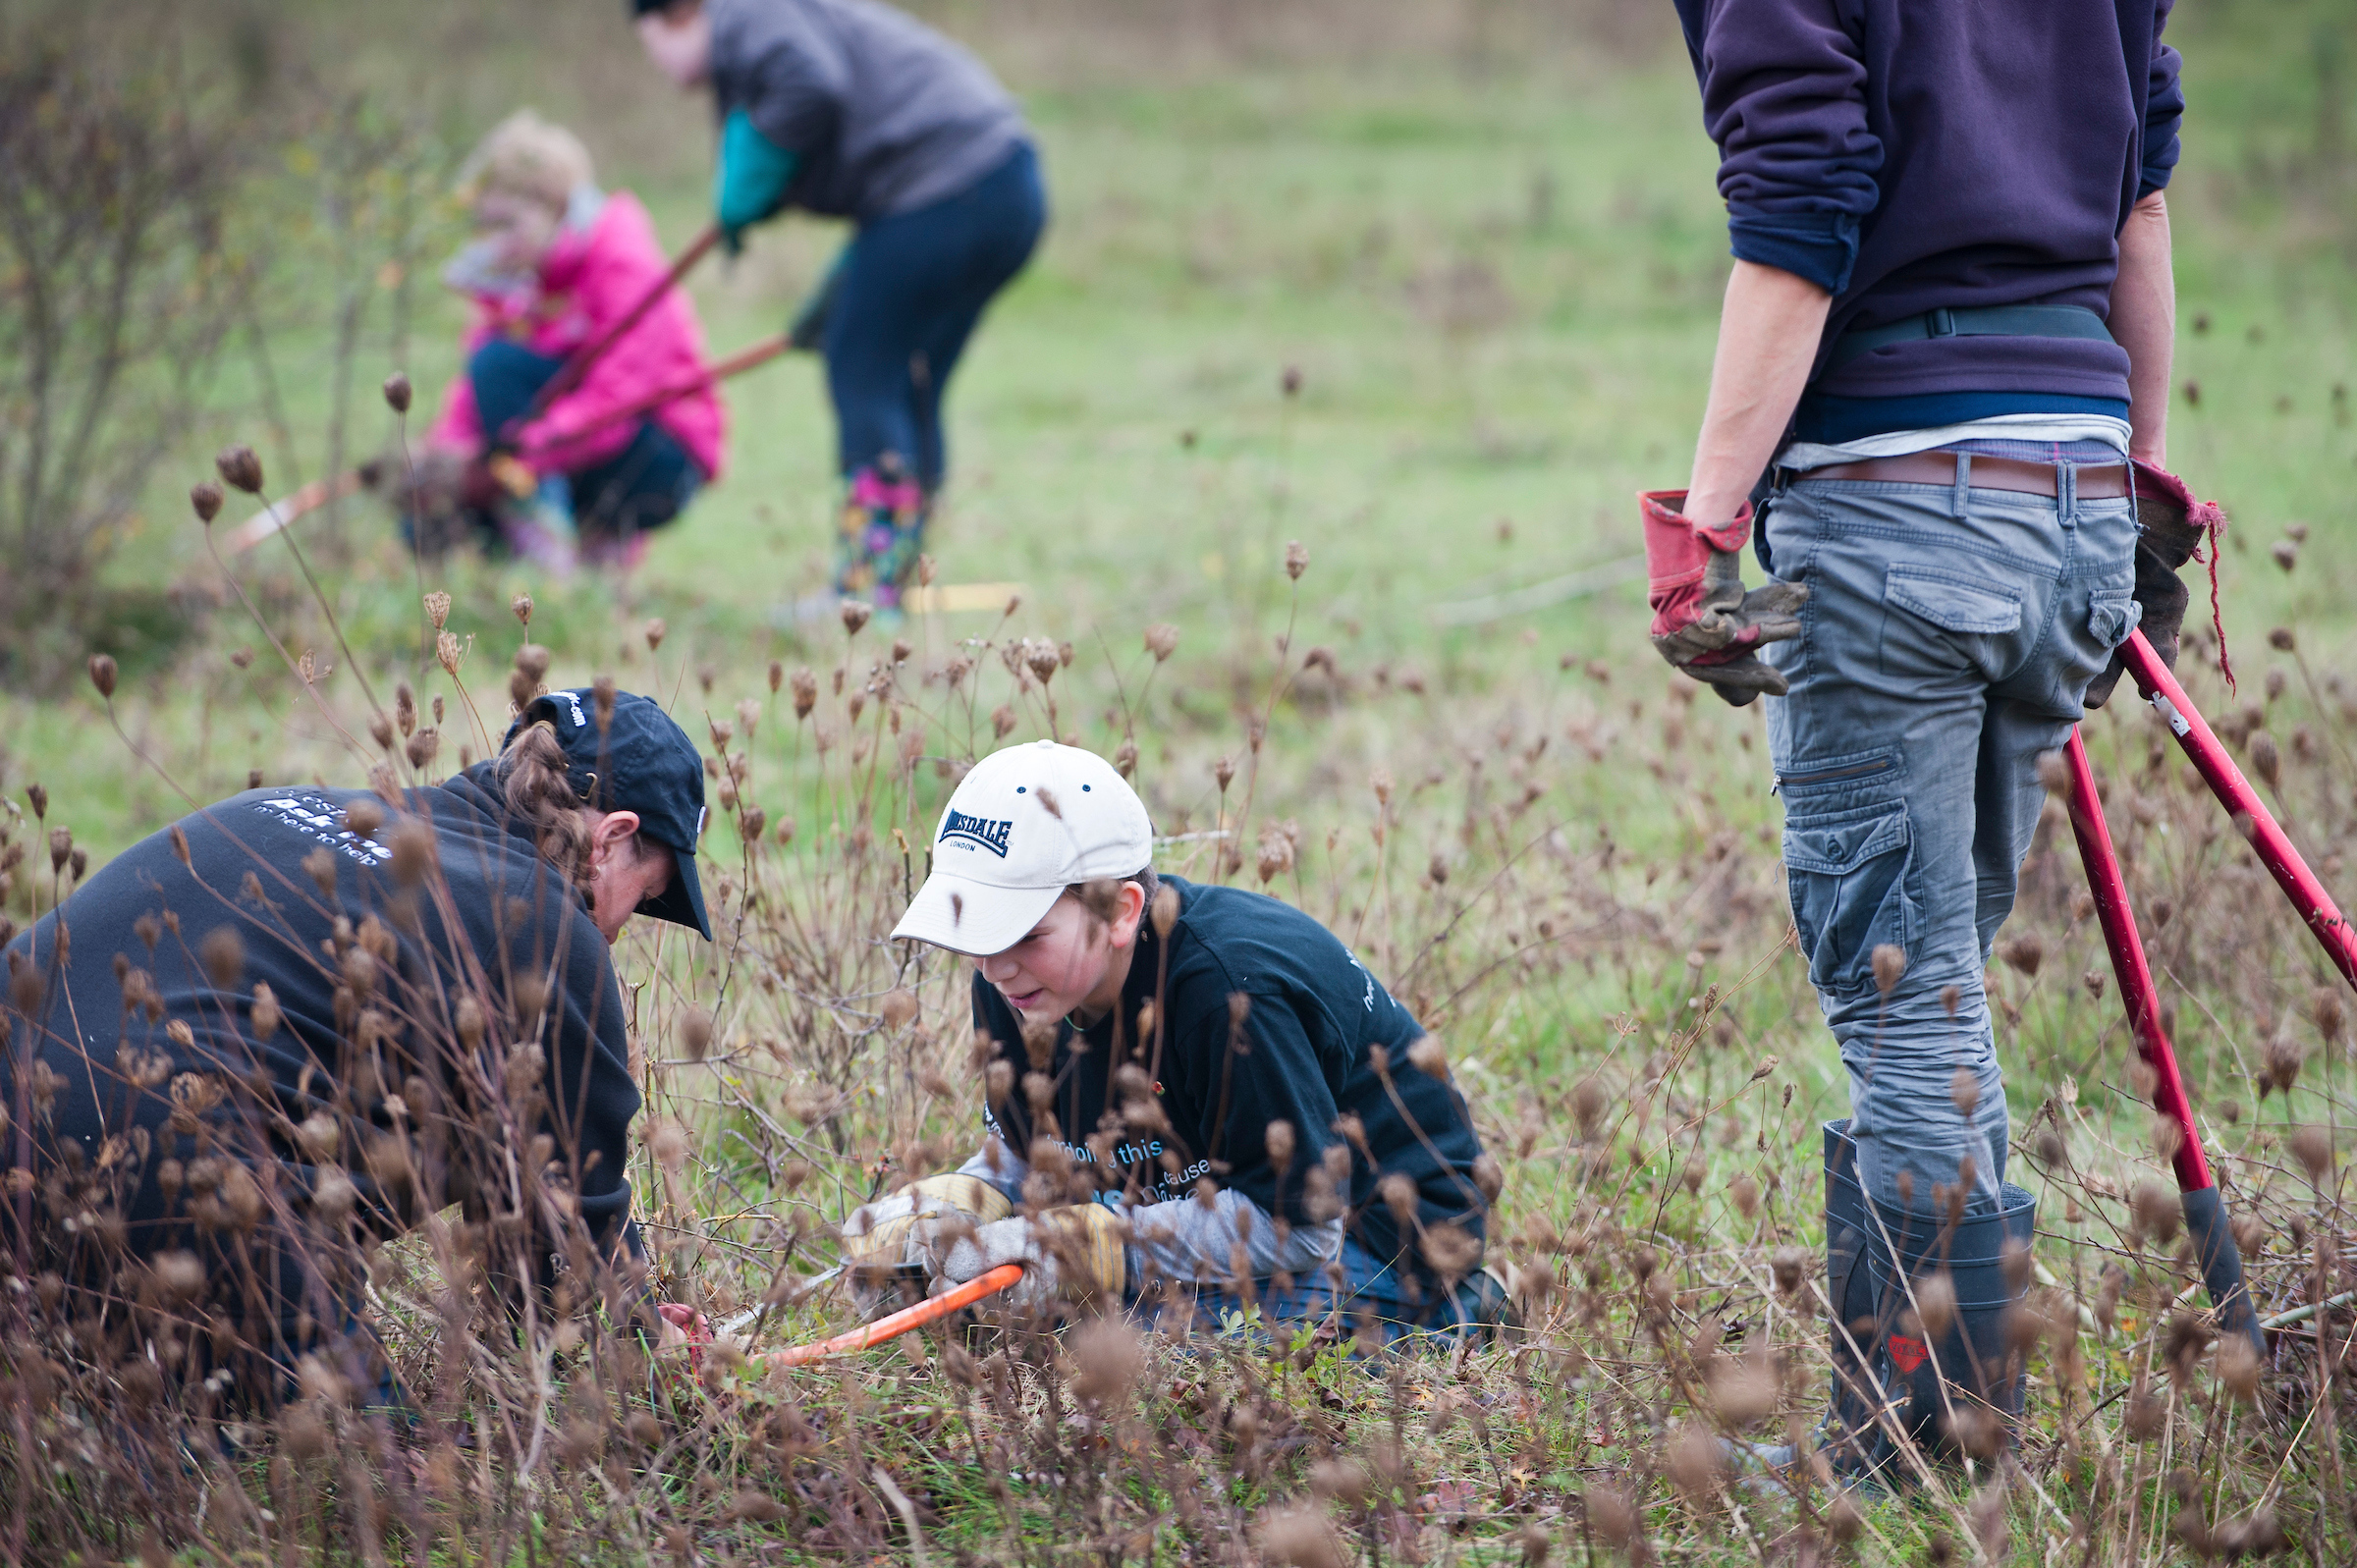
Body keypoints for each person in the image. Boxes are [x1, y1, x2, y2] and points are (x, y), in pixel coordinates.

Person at [1650, 0, 2216, 1483]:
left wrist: (1707, 523)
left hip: (1896, 500)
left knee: (1907, 1007)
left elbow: (1804, 200)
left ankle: (1920, 1452)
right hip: (2078, 489)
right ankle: (1935, 1418)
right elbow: (2136, 210)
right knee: (1939, 975)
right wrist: (2135, 480)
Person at [0, 687, 712, 1413]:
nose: (622, 928)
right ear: (612, 836)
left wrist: (627, 1305)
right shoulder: (553, 933)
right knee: (390, 1470)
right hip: (157, 1162)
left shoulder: (291, 808)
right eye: (645, 895)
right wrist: (639, 1346)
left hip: (23, 1131)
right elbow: (567, 1244)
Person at [841, 740, 1504, 1345]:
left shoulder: (1230, 993)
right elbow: (1038, 1155)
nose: (992, 962)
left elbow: (1301, 1225)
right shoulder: (1019, 983)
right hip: (1204, 1196)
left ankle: (1458, 1314)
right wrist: (959, 1200)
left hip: (1375, 1231)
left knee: (1125, 1346)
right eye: (976, 932)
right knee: (1004, 1314)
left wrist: (1100, 1248)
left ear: (1122, 910)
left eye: (1022, 932)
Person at [632, 0, 1047, 618]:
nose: (658, 65)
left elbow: (811, 83)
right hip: (1004, 185)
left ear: (675, 15)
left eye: (650, 39)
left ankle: (865, 595)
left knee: (863, 369)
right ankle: (891, 584)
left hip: (948, 185)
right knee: (912, 382)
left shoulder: (746, 15)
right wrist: (849, 282)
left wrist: (752, 167)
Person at [419, 111, 726, 574]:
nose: (495, 244)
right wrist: (450, 456)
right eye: (485, 227)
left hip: (659, 448)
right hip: (560, 443)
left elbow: (617, 396)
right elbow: (473, 393)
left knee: (498, 366)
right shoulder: (514, 281)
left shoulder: (620, 257)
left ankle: (549, 547)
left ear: (554, 206)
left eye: (507, 224)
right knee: (431, 516)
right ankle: (578, 558)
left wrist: (519, 455)